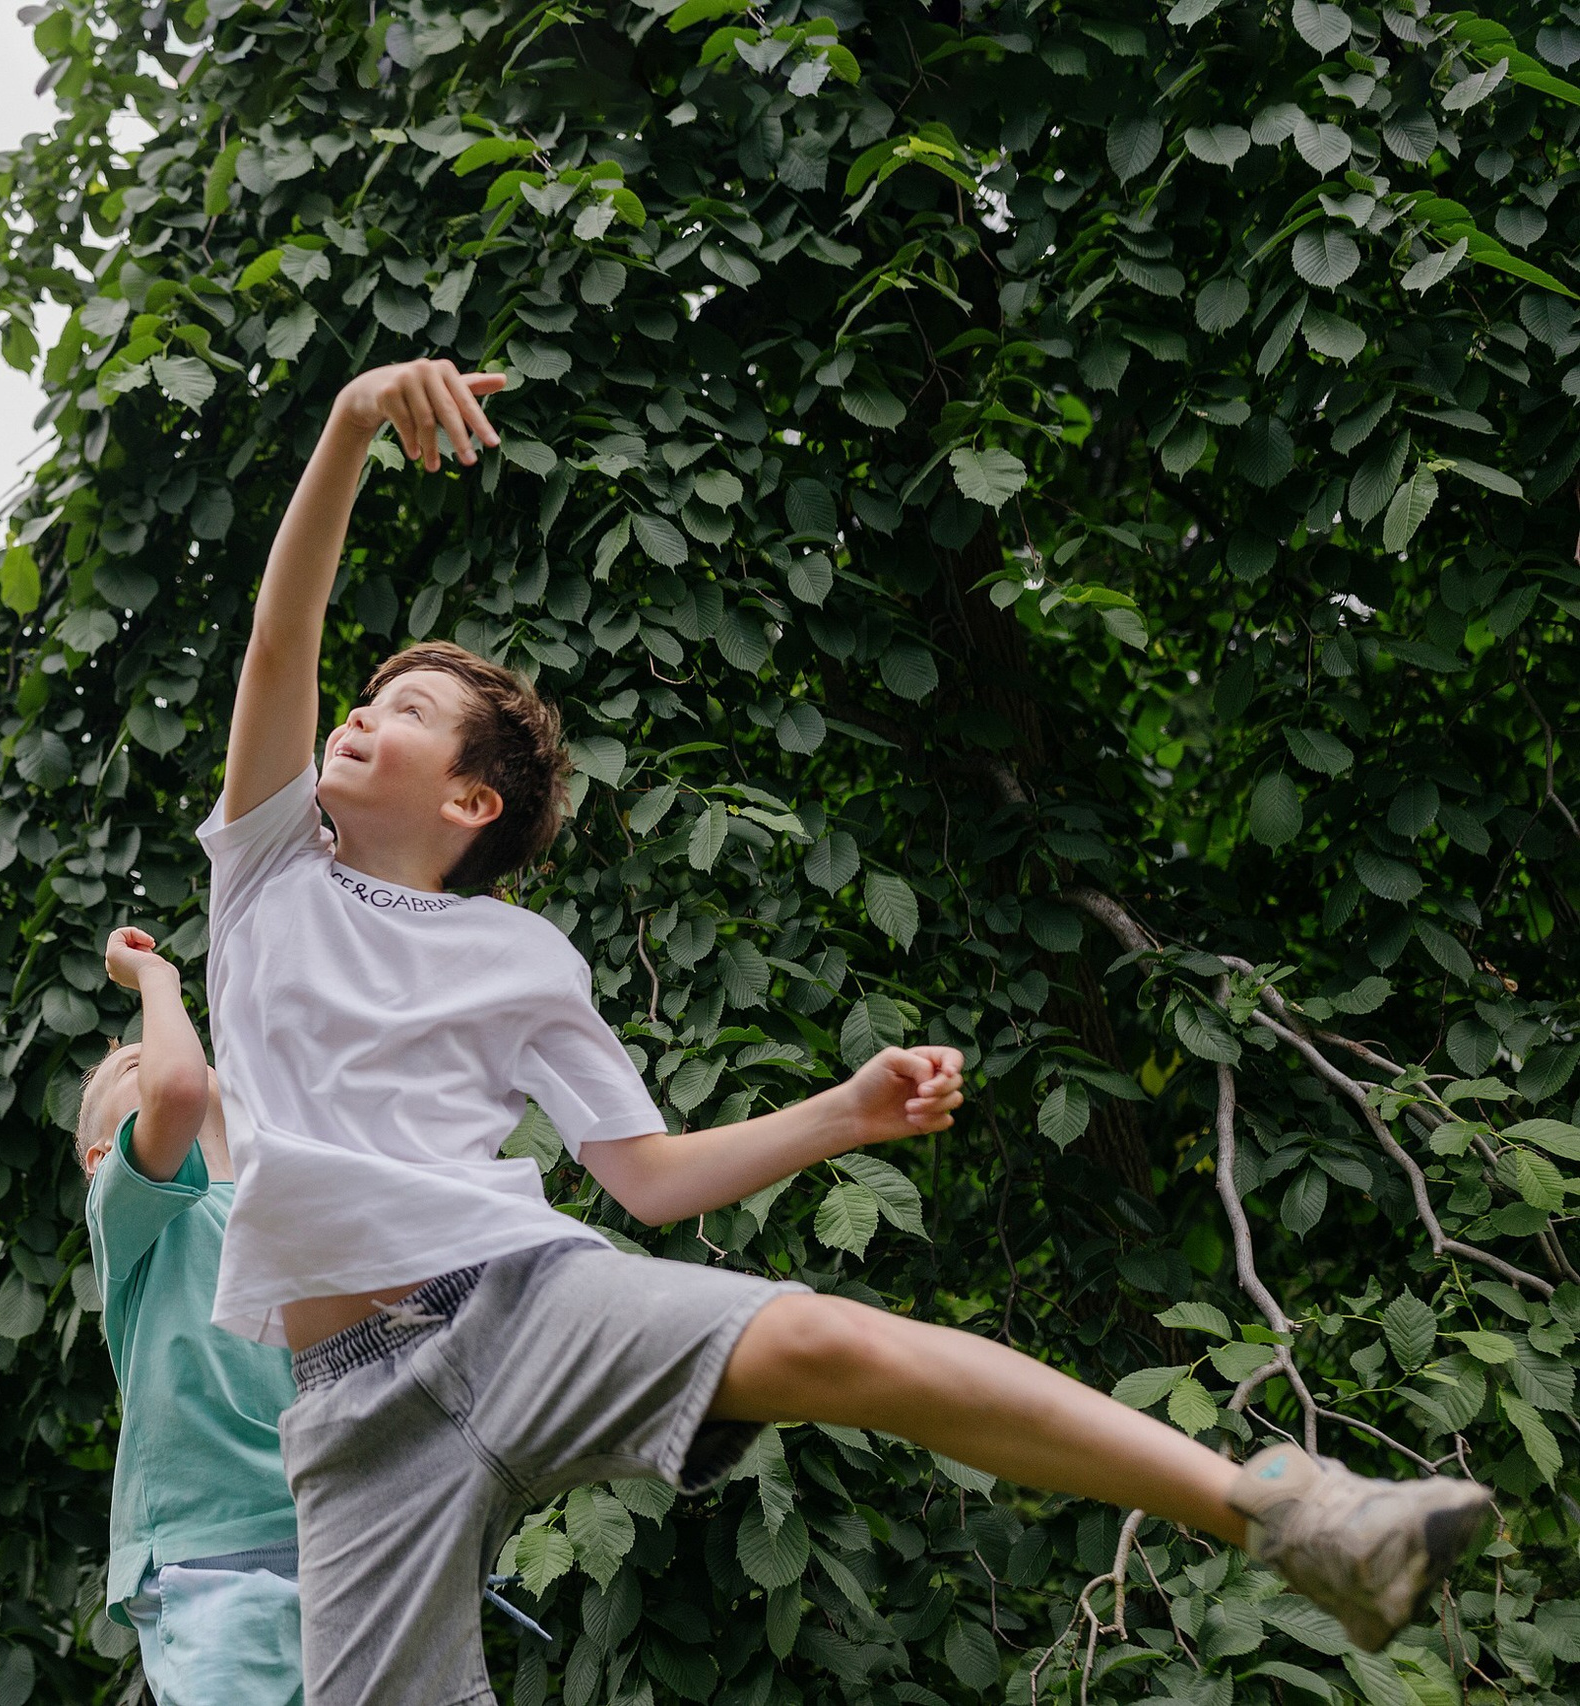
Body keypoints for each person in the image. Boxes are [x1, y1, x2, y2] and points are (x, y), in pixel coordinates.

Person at [199, 355, 1493, 1705]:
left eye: (404, 709)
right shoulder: (270, 870)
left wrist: (846, 1114)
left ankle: (1290, 1509)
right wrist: (351, 420)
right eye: (363, 696)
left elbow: (645, 1176)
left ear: (472, 803)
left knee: (830, 1342)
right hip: (350, 1413)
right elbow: (280, 638)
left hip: (516, 1301)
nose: (353, 709)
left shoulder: (522, 954)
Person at [74, 924, 303, 1706]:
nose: (165, 1056)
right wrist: (155, 980)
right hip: (211, 1558)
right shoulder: (136, 1213)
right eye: (132, 1064)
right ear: (104, 1160)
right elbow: (176, 1091)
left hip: (342, 1543)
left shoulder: (291, 1205)